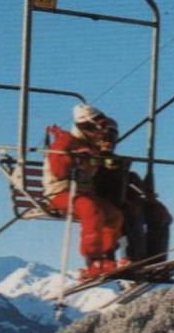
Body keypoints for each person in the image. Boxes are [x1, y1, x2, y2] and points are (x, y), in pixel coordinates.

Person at [41, 103, 125, 279]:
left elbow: (98, 164)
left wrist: (106, 158)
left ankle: (107, 256)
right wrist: (74, 157)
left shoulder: (92, 144)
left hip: (83, 192)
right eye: (98, 128)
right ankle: (92, 259)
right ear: (87, 126)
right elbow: (58, 171)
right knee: (90, 210)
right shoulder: (65, 142)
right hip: (60, 193)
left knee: (113, 214)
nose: (100, 133)